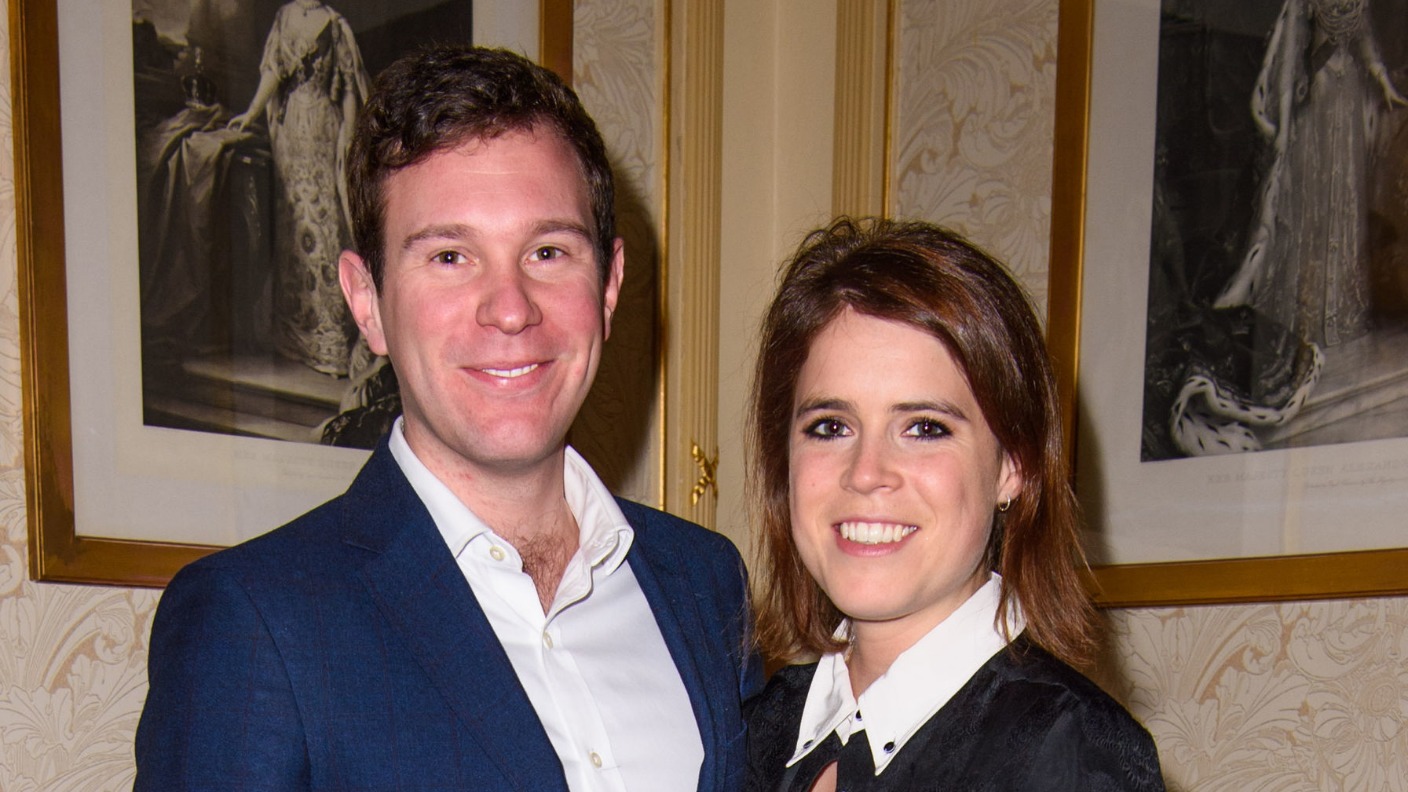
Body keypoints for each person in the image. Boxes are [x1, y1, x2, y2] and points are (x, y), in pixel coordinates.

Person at [136, 45, 762, 791]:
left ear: (609, 286)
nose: (510, 309)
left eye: (548, 251)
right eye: (449, 257)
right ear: (367, 301)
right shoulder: (254, 622)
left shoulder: (705, 582)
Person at [743, 218, 1164, 790]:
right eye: (830, 426)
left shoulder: (1070, 750)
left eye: (924, 427)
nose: (865, 473)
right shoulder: (753, 732)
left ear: (1013, 466)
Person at [229, 0, 368, 376]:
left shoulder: (334, 25)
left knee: (325, 226)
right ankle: (293, 333)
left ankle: (328, 338)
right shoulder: (285, 17)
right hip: (291, 132)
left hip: (324, 128)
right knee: (292, 225)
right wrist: (252, 113)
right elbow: (274, 73)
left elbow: (349, 89)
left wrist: (348, 137)